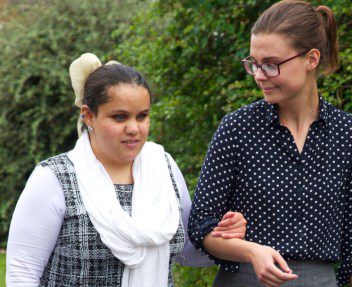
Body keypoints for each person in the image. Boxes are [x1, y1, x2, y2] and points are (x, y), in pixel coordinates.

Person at [6, 53, 247, 287]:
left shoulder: (163, 168)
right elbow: (21, 274)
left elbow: (189, 252)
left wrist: (224, 235)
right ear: (89, 116)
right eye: (120, 117)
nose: (134, 128)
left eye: (142, 116)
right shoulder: (54, 179)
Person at [188, 1, 352, 286]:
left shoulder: (347, 133)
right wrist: (251, 251)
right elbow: (200, 225)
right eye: (253, 63)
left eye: (271, 64)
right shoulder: (237, 129)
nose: (259, 75)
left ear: (311, 59)